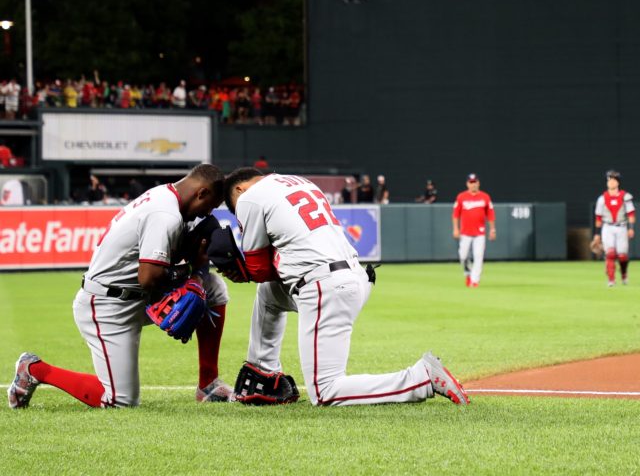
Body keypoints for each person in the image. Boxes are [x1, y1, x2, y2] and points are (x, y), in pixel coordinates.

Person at [222, 167, 469, 406]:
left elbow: (259, 269)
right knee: (269, 294)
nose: (239, 213)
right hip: (352, 276)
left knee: (325, 391)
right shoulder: (298, 182)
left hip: (325, 287)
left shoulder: (249, 198)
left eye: (235, 208)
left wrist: (238, 272)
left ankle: (420, 379)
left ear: (240, 189)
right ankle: (264, 370)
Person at [7, 164, 234, 408]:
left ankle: (208, 384)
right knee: (120, 401)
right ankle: (34, 369)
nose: (206, 213)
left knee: (214, 288)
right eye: (209, 206)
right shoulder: (165, 214)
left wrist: (199, 273)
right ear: (201, 193)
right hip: (108, 305)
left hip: (137, 296)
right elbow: (149, 277)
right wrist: (191, 271)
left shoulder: (169, 198)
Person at [592, 170, 635, 286]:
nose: (610, 182)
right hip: (607, 227)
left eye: (613, 180)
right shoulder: (602, 199)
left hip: (621, 227)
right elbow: (598, 217)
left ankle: (624, 274)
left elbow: (631, 214)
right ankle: (611, 279)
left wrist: (631, 228)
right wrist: (597, 234)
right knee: (610, 253)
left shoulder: (625, 196)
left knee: (622, 255)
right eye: (609, 180)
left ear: (618, 182)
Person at [452, 173, 496, 288]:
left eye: (475, 182)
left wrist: (492, 229)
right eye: (471, 182)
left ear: (478, 183)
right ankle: (468, 273)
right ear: (467, 184)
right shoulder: (461, 197)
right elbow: (455, 214)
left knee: (478, 255)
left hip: (479, 233)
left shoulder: (485, 197)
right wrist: (455, 229)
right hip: (465, 232)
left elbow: (490, 214)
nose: (473, 184)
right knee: (463, 255)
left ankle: (474, 280)